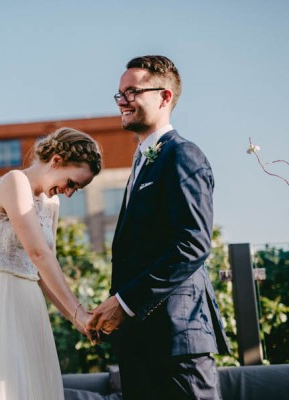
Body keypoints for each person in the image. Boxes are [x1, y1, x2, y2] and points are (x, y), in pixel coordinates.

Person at [87, 55, 229, 399]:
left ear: (165, 96)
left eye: (132, 91)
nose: (122, 100)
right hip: (139, 344)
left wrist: (124, 302)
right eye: (119, 93)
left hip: (178, 339)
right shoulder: (141, 162)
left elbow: (192, 243)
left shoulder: (183, 154)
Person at [0, 127, 102, 400]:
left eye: (76, 189)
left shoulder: (52, 204)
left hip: (30, 306)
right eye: (71, 182)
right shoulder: (14, 182)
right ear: (57, 160)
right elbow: (38, 253)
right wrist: (79, 311)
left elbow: (46, 270)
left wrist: (79, 321)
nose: (69, 192)